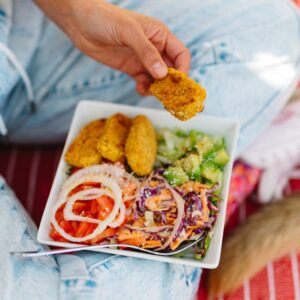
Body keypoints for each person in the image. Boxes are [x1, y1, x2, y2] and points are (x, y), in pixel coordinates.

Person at [0, 0, 300, 299]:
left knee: (278, 26)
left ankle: (250, 134)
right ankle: (254, 134)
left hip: (25, 31)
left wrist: (73, 11)